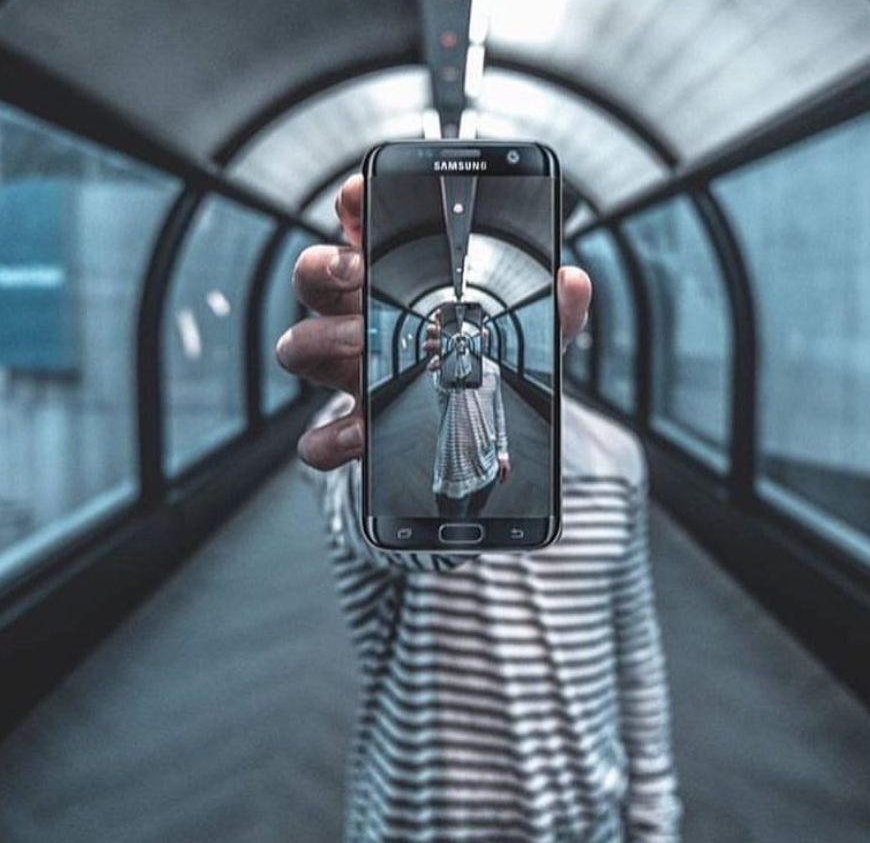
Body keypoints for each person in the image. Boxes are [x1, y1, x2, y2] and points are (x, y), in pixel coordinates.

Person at [276, 174, 682, 842]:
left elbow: (634, 657)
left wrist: (654, 825)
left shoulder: (616, 458)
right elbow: (385, 534)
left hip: (587, 825)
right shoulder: (356, 441)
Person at [429, 315, 510, 520]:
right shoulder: (451, 369)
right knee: (451, 526)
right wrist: (444, 358)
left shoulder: (493, 370)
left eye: (482, 329)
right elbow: (442, 385)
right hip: (456, 471)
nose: (482, 333)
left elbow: (498, 411)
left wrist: (503, 453)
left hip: (488, 464)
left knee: (476, 514)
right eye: (471, 331)